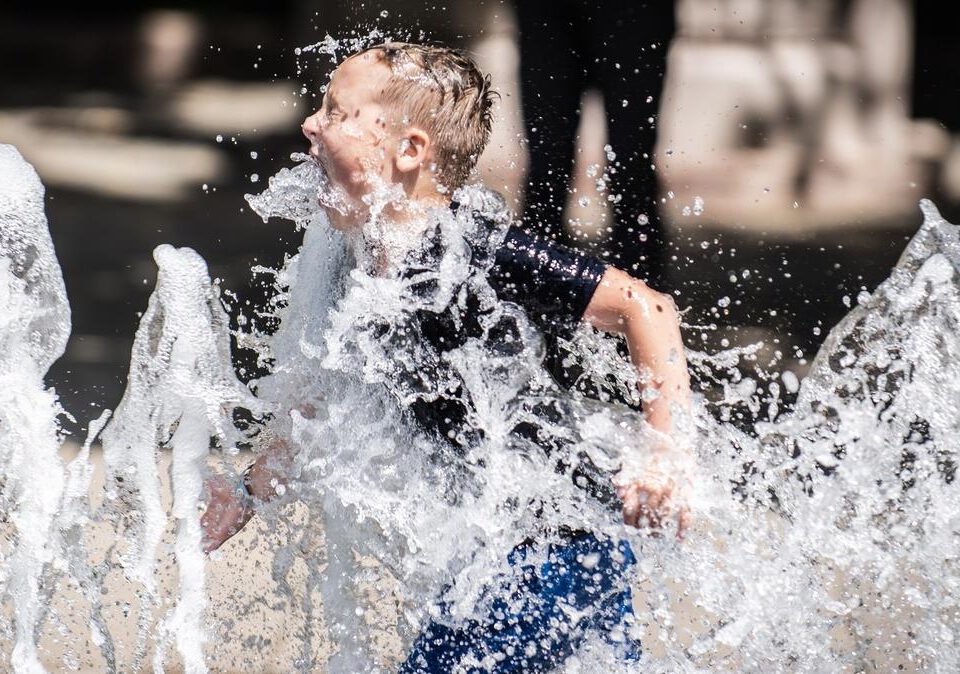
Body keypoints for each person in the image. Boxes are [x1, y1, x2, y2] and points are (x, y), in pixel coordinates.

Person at [201, 43, 693, 671]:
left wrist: (665, 457)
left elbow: (645, 308)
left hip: (556, 548)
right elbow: (323, 403)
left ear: (409, 150)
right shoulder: (360, 264)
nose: (311, 125)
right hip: (509, 550)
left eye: (336, 112)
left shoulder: (470, 247)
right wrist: (248, 491)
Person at [517, 0, 676, 289]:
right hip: (547, 11)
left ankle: (639, 298)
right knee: (546, 165)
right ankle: (534, 293)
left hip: (635, 12)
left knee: (632, 165)